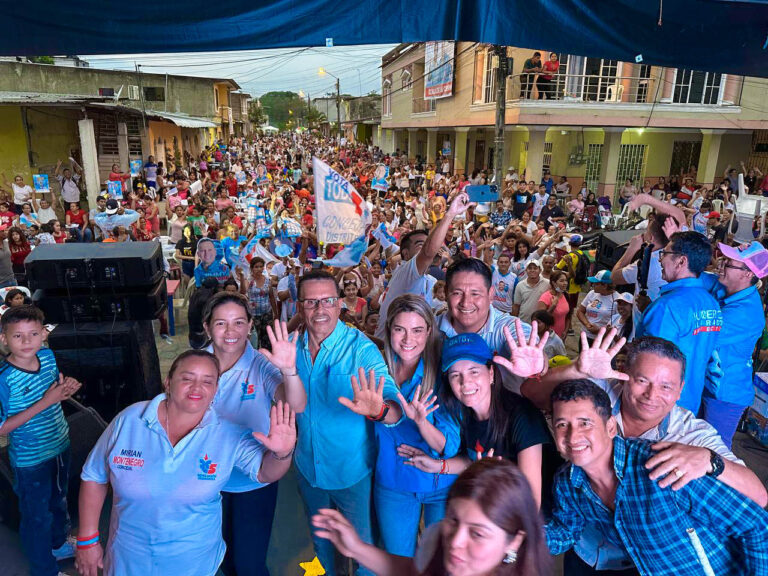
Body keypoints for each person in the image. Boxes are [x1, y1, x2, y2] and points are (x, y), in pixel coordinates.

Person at [75, 350, 297, 576]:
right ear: (168, 382)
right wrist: (87, 539)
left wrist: (283, 453)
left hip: (193, 564)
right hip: (128, 559)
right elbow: (94, 475)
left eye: (207, 381)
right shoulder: (130, 420)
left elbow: (264, 472)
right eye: (187, 378)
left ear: (216, 389)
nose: (197, 388)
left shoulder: (227, 434)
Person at [546, 379, 768, 576]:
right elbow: (567, 530)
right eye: (562, 425)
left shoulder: (663, 466)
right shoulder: (567, 483)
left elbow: (756, 526)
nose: (573, 436)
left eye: (585, 423)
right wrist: (520, 539)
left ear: (610, 427)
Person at [293, 270, 404, 576]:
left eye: (327, 301)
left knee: (363, 550)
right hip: (308, 470)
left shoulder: (360, 348)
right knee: (322, 546)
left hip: (353, 474)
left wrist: (378, 409)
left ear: (339, 303)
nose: (319, 310)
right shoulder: (290, 349)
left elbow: (395, 409)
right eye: (311, 302)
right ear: (299, 306)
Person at [202, 292, 305, 576]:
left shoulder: (259, 363)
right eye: (221, 323)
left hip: (254, 480)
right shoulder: (195, 364)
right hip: (206, 480)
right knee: (223, 560)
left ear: (250, 326)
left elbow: (296, 404)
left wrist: (289, 371)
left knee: (250, 564)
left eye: (238, 322)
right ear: (207, 327)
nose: (230, 331)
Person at [312, 459, 552, 576]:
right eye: (454, 520)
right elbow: (414, 570)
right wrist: (356, 548)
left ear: (514, 542)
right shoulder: (439, 536)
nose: (455, 541)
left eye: (477, 533)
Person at [400, 329, 554, 509]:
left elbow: (532, 503)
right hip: (499, 508)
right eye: (455, 375)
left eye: (474, 371)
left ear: (491, 373)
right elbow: (473, 458)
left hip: (538, 519)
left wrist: (493, 481)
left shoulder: (522, 416)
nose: (465, 383)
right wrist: (438, 466)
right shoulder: (463, 413)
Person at [374, 295, 461, 557]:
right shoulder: (376, 370)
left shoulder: (441, 373)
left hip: (440, 484)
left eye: (417, 330)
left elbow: (449, 445)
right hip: (393, 484)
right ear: (389, 331)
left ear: (429, 332)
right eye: (400, 329)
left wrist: (422, 423)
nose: (408, 339)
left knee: (439, 561)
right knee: (400, 560)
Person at [0, 305, 82, 576]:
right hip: (30, 460)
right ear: (4, 339)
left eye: (33, 334)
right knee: (37, 517)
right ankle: (43, 569)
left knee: (58, 501)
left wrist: (65, 390)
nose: (26, 342)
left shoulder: (47, 357)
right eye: (17, 336)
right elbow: (2, 428)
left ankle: (58, 545)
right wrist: (47, 400)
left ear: (44, 335)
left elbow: (54, 395)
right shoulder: (5, 380)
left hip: (59, 444)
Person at [636, 231, 721, 414]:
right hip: (690, 403)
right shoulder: (711, 303)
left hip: (658, 406)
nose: (660, 260)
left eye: (664, 254)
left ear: (681, 261)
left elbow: (653, 362)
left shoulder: (666, 307)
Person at [375, 191, 473, 339]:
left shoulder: (428, 280)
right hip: (387, 352)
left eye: (428, 242)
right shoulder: (406, 271)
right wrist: (450, 214)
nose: (429, 248)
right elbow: (427, 252)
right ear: (406, 254)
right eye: (421, 245)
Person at [699, 241, 767, 447]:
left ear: (747, 274)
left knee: (714, 449)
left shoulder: (746, 313)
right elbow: (691, 274)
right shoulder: (723, 286)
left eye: (728, 263)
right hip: (708, 384)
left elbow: (702, 335)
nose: (721, 265)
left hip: (726, 394)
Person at [437, 257, 532, 393]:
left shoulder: (509, 327)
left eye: (475, 294)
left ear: (490, 294)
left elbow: (526, 343)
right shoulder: (430, 329)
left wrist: (534, 363)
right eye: (457, 293)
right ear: (446, 293)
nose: (466, 302)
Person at [238, 257, 277, 351]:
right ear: (251, 268)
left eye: (261, 266)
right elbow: (243, 291)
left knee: (268, 340)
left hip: (267, 314)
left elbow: (271, 297)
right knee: (254, 340)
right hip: (253, 316)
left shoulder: (267, 280)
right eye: (256, 267)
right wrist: (242, 277)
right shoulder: (249, 280)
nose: (259, 269)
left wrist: (275, 313)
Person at [576, 270, 618, 344]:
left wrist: (599, 330)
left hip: (602, 340)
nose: (592, 285)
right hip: (585, 337)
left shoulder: (617, 299)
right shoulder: (592, 293)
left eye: (596, 283)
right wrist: (587, 324)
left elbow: (617, 324)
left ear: (605, 286)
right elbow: (580, 311)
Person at [537, 270, 570, 339]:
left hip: (561, 335)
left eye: (566, 280)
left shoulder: (566, 295)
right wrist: (553, 306)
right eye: (561, 281)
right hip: (548, 336)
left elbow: (568, 316)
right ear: (554, 283)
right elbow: (540, 319)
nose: (565, 283)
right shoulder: (545, 297)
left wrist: (566, 331)